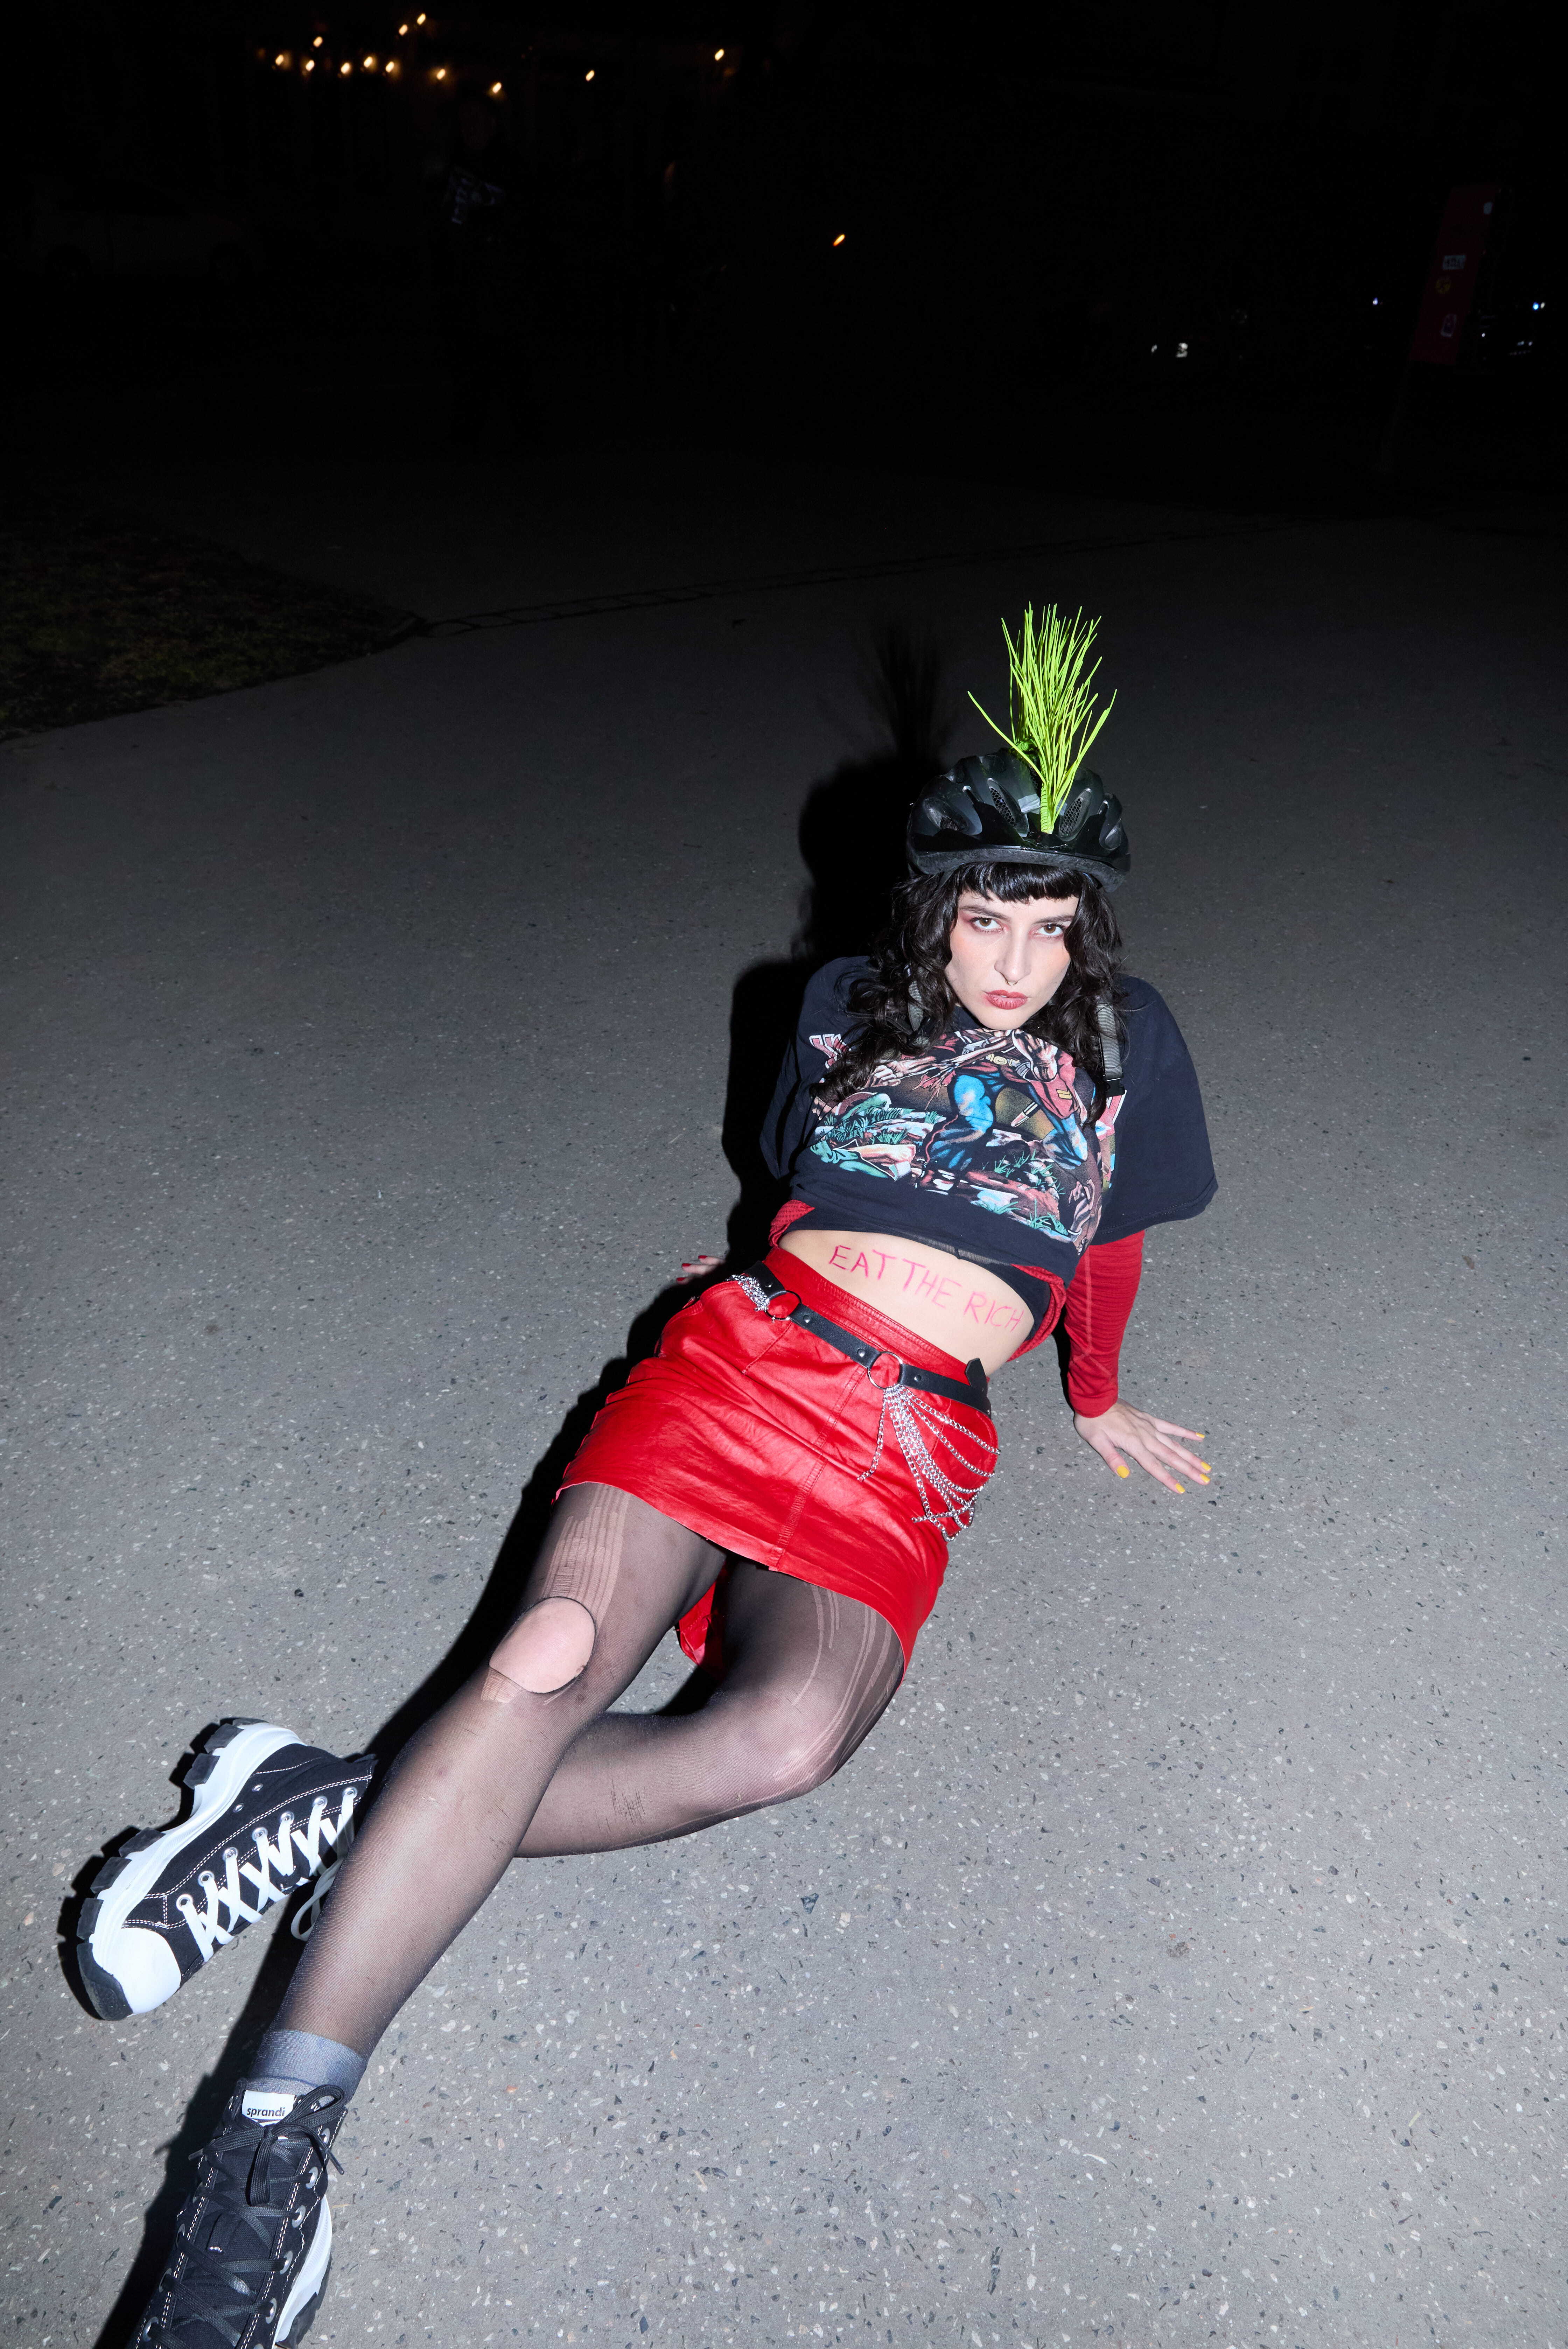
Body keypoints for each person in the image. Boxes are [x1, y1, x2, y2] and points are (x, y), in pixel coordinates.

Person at [82, 610, 1215, 2348]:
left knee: (782, 1743)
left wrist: (1095, 1395)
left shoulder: (1129, 1046)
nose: (1016, 961)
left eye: (1050, 925)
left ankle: (322, 1807)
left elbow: (1109, 1244)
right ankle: (263, 2158)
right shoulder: (836, 1007)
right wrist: (789, 1256)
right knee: (542, 1666)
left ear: (1090, 929)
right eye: (985, 918)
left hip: (913, 1439)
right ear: (932, 911)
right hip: (750, 1365)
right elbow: (789, 1178)